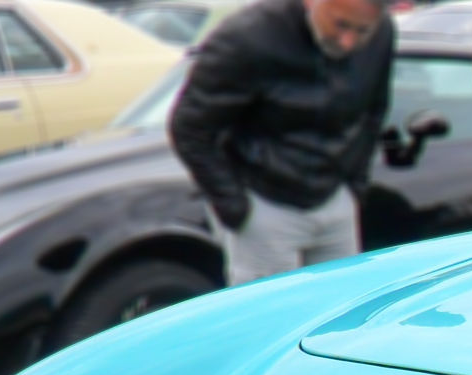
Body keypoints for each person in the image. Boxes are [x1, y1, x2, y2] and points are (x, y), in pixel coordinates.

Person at [169, 0, 395, 286]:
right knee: (270, 317)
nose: (349, 42)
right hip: (264, 201)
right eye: (340, 24)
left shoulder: (382, 33)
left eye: (362, 31)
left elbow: (374, 111)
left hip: (334, 196)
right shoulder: (248, 36)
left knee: (340, 312)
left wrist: (355, 186)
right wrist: (234, 205)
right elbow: (189, 127)